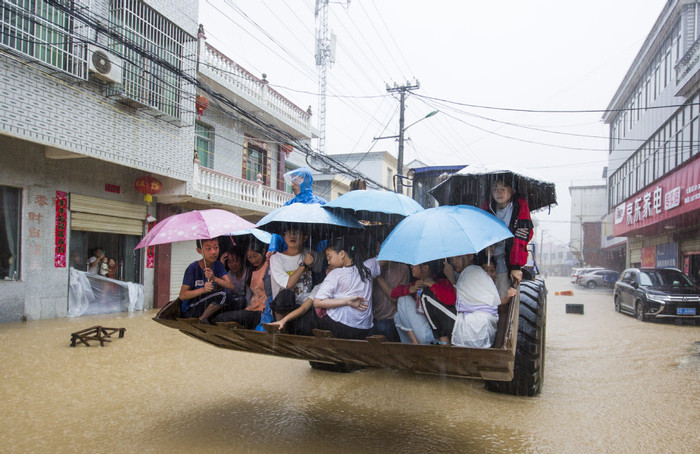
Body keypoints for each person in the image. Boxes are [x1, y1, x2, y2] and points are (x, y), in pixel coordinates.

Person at [313, 239, 380, 339]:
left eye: (329, 256)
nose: (328, 261)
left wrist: (347, 301)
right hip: (363, 329)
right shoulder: (368, 268)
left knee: (314, 312)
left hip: (339, 327)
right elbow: (383, 259)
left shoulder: (335, 274)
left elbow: (317, 302)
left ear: (342, 254)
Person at [486, 178, 533, 300]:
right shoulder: (487, 207)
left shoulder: (520, 206)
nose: (499, 193)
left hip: (507, 258)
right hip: (487, 259)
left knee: (503, 294)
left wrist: (516, 267)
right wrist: (486, 248)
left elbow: (522, 237)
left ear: (512, 191)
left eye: (503, 189)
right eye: (495, 189)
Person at [393, 260, 456, 344]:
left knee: (403, 300)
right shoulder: (417, 284)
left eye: (415, 264)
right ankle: (413, 348)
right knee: (397, 316)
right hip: (424, 331)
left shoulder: (440, 282)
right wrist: (411, 289)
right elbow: (393, 293)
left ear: (425, 268)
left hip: (434, 334)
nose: (411, 266)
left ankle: (416, 347)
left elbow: (451, 299)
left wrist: (432, 285)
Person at [450, 253, 502, 348]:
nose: (454, 262)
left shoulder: (470, 272)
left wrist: (451, 279)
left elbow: (455, 299)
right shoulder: (473, 271)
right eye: (452, 258)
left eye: (458, 257)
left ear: (470, 256)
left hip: (477, 328)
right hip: (485, 329)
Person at [214, 240, 269, 328]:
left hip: (262, 311)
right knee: (220, 316)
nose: (253, 260)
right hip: (251, 308)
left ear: (263, 252)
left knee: (221, 318)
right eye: (249, 257)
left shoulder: (268, 266)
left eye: (255, 256)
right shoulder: (253, 270)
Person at [179, 238, 231, 323]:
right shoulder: (192, 268)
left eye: (216, 247)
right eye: (208, 249)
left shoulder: (218, 265)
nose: (213, 252)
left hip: (206, 303)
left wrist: (214, 278)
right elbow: (182, 295)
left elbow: (231, 286)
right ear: (199, 251)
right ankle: (201, 319)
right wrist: (203, 290)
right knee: (224, 294)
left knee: (233, 297)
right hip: (192, 308)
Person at [268, 229, 316, 320]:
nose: (293, 235)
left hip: (305, 308)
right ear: (284, 237)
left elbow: (328, 260)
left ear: (305, 237)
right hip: (284, 310)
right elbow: (288, 284)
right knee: (286, 294)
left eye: (297, 232)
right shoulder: (276, 258)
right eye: (289, 232)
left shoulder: (310, 254)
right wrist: (304, 265)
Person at [372, 257, 409, 342]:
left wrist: (378, 276)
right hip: (373, 318)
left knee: (383, 327)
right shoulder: (371, 267)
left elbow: (394, 298)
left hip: (391, 319)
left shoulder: (402, 269)